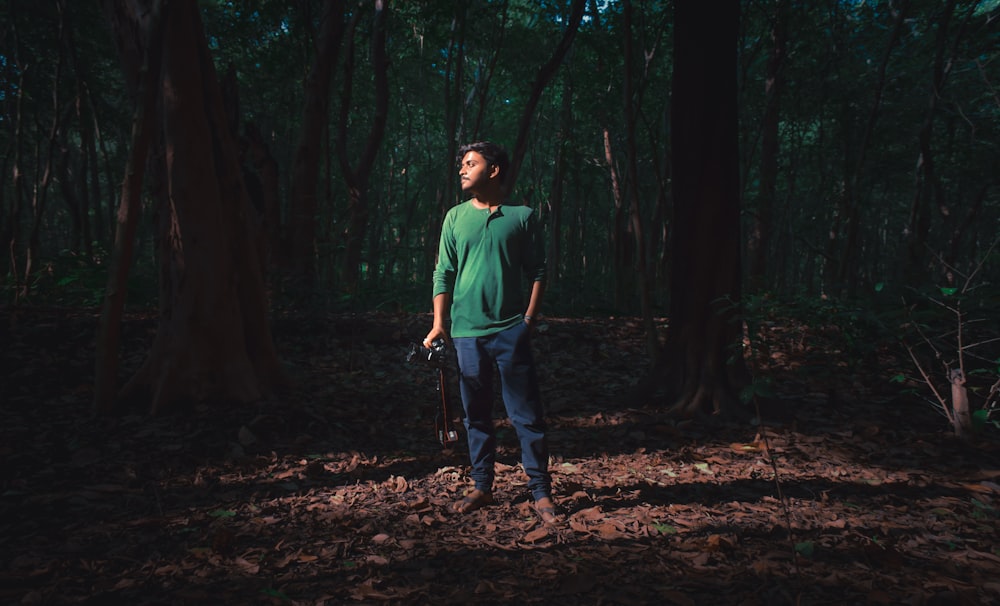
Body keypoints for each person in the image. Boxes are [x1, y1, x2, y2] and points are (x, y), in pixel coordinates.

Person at [423, 141, 560, 524]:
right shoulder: (454, 218)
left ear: (494, 169)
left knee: (526, 414)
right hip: (466, 334)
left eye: (471, 163)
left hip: (509, 331)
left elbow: (537, 271)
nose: (463, 170)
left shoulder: (522, 217)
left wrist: (527, 322)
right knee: (475, 415)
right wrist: (439, 324)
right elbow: (443, 273)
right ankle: (481, 485)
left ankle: (540, 490)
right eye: (462, 164)